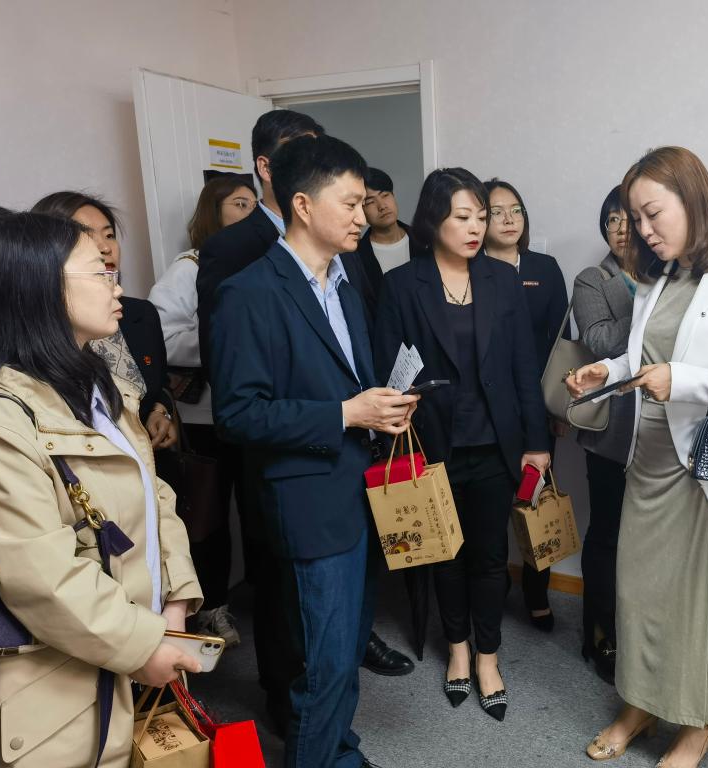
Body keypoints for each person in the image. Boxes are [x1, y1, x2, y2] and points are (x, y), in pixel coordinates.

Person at [568, 147, 708, 768]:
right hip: (651, 458)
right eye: (634, 218)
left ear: (693, 199)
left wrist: (685, 381)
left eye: (652, 213)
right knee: (642, 593)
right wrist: (607, 369)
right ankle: (640, 703)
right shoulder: (659, 277)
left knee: (707, 601)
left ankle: (697, 724)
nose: (642, 229)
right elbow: (647, 357)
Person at [197, 111, 413, 734]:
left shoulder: (345, 283)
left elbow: (348, 380)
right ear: (303, 204)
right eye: (350, 203)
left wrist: (381, 407)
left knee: (344, 655)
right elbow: (238, 413)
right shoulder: (249, 292)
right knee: (320, 664)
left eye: (364, 202)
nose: (362, 215)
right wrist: (347, 413)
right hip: (306, 501)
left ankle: (339, 748)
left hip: (358, 488)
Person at [0, 212, 203, 767]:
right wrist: (145, 644)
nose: (118, 287)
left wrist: (175, 603)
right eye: (100, 272)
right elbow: (43, 577)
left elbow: (155, 497)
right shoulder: (1, 422)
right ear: (42, 290)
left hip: (135, 647)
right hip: (60, 691)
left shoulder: (104, 389)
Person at [374, 168, 551, 721]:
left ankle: (488, 658)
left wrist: (537, 441)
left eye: (482, 216)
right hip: (434, 445)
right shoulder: (402, 285)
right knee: (444, 555)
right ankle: (456, 650)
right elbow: (388, 372)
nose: (477, 227)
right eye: (463, 217)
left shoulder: (501, 280)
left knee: (491, 558)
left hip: (496, 444)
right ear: (434, 221)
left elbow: (524, 368)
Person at [147, 173, 258, 647]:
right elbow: (162, 335)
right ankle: (211, 609)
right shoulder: (189, 267)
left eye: (254, 205)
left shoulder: (261, 263)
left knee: (257, 512)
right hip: (204, 420)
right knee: (208, 518)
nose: (249, 213)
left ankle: (262, 600)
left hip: (251, 414)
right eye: (239, 204)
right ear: (215, 211)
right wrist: (223, 343)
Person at [482, 178, 568, 632]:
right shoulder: (469, 270)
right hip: (489, 413)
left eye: (515, 209)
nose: (508, 219)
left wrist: (556, 408)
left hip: (536, 411)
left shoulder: (544, 268)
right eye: (496, 211)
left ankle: (537, 592)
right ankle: (494, 586)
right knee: (491, 509)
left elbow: (561, 342)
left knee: (537, 504)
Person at [32, 192, 178, 452]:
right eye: (86, 236)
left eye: (109, 235)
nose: (105, 247)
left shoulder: (140, 314)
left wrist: (159, 411)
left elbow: (159, 383)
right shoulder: (34, 334)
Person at [572, 185, 637, 681]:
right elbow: (596, 340)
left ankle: (641, 635)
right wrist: (652, 311)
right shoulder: (593, 279)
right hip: (611, 428)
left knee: (651, 539)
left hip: (663, 427)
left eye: (628, 218)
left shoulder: (675, 272)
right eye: (611, 220)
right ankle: (600, 631)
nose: (620, 229)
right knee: (608, 533)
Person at [351, 167, 420, 317]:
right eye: (370, 202)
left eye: (385, 195)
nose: (382, 206)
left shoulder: (424, 241)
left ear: (393, 196)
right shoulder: (356, 256)